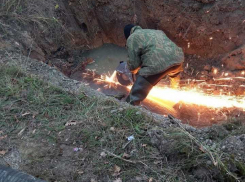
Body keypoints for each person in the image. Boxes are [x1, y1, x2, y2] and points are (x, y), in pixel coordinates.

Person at [124, 24, 184, 106]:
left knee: (134, 96)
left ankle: (129, 107)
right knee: (174, 77)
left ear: (128, 35)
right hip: (178, 59)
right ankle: (177, 100)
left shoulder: (132, 38)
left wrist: (135, 72)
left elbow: (134, 65)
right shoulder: (156, 32)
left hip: (158, 62)